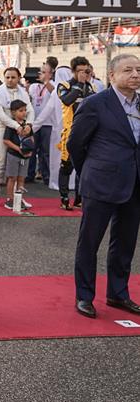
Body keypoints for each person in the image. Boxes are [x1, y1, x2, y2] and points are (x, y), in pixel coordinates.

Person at [68, 53, 140, 319]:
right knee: (89, 242)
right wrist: (90, 169)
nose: (135, 75)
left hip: (134, 183)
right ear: (112, 75)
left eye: (138, 70)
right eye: (128, 70)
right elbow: (75, 144)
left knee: (125, 242)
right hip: (100, 182)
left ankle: (118, 294)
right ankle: (85, 296)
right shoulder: (95, 104)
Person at [0, 67, 34, 208]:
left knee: (19, 163)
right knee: (0, 162)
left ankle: (16, 197)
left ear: (19, 78)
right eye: (7, 77)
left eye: (13, 77)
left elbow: (30, 110)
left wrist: (29, 125)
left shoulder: (23, 92)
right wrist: (16, 125)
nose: (10, 80)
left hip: (20, 129)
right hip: (3, 128)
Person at [57, 57, 95, 210]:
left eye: (85, 71)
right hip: (70, 132)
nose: (83, 74)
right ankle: (64, 198)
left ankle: (79, 198)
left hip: (87, 133)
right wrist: (79, 84)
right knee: (66, 166)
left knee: (84, 166)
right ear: (73, 71)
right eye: (79, 71)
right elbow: (67, 100)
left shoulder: (91, 87)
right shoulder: (64, 85)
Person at [2, 100, 35, 210]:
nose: (24, 113)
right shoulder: (12, 125)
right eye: (21, 110)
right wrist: (19, 149)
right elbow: (6, 140)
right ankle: (10, 199)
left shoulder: (27, 125)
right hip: (13, 155)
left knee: (21, 178)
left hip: (25, 156)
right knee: (12, 178)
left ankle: (19, 198)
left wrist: (30, 149)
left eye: (25, 110)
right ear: (13, 112)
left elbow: (31, 138)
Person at [27, 62, 55, 184]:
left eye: (44, 72)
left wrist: (46, 81)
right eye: (40, 72)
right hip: (35, 122)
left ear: (50, 74)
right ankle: (30, 174)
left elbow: (53, 92)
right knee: (32, 149)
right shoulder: (34, 87)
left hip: (48, 123)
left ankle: (47, 175)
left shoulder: (53, 85)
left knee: (45, 151)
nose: (40, 74)